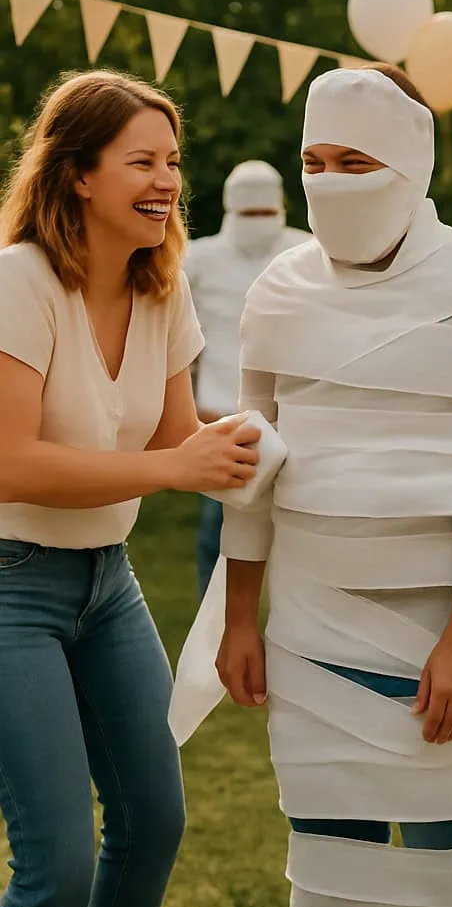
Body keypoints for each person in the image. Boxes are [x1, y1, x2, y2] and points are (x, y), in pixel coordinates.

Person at [188, 66, 452, 907]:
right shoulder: (279, 290)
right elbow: (251, 473)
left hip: (430, 625)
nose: (329, 182)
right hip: (307, 620)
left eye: (355, 162)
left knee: (449, 858)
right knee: (327, 856)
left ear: (409, 163)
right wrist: (240, 618)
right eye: (314, 162)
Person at [0, 70, 259, 907]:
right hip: (10, 586)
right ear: (79, 174)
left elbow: (175, 436)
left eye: (173, 162)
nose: (167, 182)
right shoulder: (19, 281)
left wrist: (275, 435)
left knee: (153, 823)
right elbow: (11, 463)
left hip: (108, 583)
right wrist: (176, 469)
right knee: (58, 867)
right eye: (142, 162)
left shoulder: (161, 286)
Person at [185, 160, 308, 599]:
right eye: (248, 212)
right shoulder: (197, 259)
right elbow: (174, 334)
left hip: (296, 416)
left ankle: (293, 618)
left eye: (264, 212)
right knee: (220, 531)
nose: (257, 223)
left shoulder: (306, 251)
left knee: (302, 527)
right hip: (221, 416)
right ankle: (217, 622)